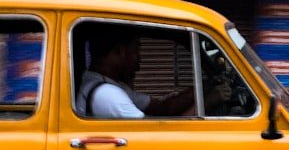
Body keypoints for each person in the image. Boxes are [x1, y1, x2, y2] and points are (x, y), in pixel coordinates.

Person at [76, 27, 230, 119]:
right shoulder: (108, 95)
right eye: (136, 50)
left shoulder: (111, 86)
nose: (139, 59)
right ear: (120, 52)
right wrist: (207, 102)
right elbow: (156, 137)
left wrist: (206, 86)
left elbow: (163, 107)